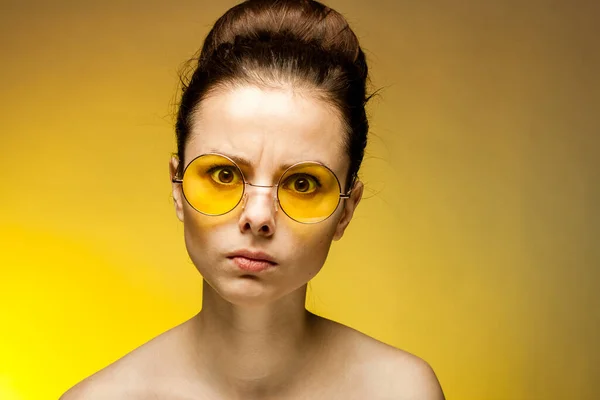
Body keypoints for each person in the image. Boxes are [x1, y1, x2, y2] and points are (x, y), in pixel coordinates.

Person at [61, 0, 445, 398]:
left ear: (347, 210)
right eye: (225, 175)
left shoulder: (401, 391)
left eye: (302, 184)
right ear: (177, 187)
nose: (258, 217)